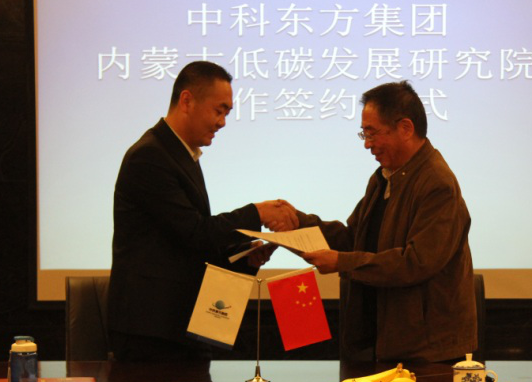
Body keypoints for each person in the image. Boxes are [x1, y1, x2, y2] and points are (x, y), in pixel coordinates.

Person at [108, 61, 295, 362]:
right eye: (218, 111)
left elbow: (186, 244)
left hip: (180, 326)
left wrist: (243, 257)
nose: (222, 122)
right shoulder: (150, 157)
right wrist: (257, 213)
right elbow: (195, 232)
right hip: (152, 332)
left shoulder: (181, 154)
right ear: (187, 101)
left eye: (227, 113)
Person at [298, 81, 476, 363]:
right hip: (382, 341)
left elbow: (415, 263)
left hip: (426, 351)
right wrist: (296, 223)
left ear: (405, 128)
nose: (367, 144)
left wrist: (342, 263)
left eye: (372, 133)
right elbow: (353, 239)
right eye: (364, 134)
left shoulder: (437, 183)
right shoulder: (384, 177)